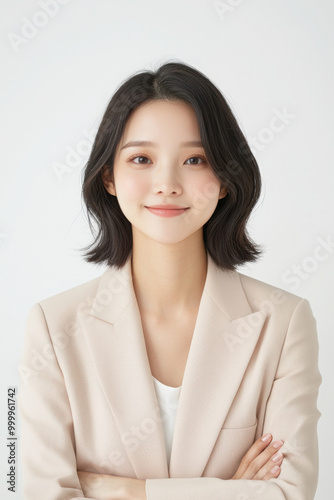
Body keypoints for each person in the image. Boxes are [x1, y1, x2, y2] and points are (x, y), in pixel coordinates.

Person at [18, 61, 322, 500]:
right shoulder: (52, 326)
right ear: (109, 176)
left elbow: (288, 494)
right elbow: (40, 493)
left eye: (195, 159)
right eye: (141, 159)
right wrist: (229, 491)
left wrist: (124, 490)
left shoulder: (285, 322)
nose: (167, 184)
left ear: (224, 179)